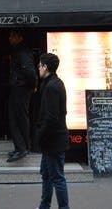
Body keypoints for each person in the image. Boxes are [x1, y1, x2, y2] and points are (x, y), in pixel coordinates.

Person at [34, 53, 70, 209]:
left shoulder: (52, 86)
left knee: (57, 177)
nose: (38, 68)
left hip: (53, 140)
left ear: (45, 67)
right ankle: (44, 205)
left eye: (39, 65)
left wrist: (39, 135)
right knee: (47, 175)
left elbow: (51, 117)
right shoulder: (53, 83)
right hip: (52, 140)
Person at [7, 30, 37, 162]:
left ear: (20, 37)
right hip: (20, 88)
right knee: (17, 117)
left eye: (12, 36)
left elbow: (29, 71)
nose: (10, 38)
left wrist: (29, 86)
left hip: (20, 89)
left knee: (18, 118)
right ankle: (21, 147)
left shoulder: (22, 52)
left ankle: (22, 148)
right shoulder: (20, 51)